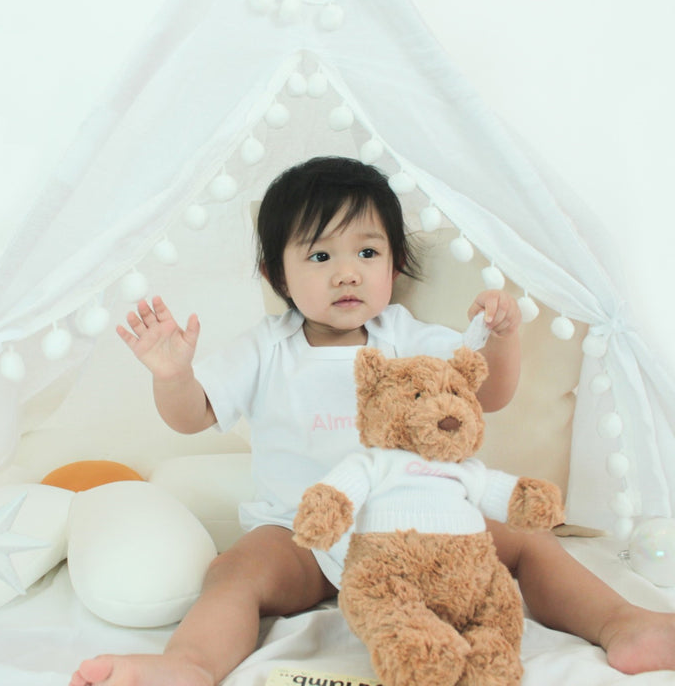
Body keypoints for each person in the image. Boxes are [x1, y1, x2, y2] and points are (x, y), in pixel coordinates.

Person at [70, 157, 675, 686]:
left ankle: (624, 624)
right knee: (233, 573)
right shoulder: (268, 347)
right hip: (302, 536)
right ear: (277, 275)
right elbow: (193, 416)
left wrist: (505, 340)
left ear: (394, 265)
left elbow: (484, 399)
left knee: (526, 546)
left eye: (367, 252)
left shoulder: (407, 338)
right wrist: (174, 375)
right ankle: (190, 666)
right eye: (320, 255)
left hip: (422, 527)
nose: (347, 272)